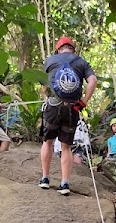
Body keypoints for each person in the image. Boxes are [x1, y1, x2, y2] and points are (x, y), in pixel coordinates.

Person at [39, 35, 97, 196]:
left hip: (53, 105)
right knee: (66, 146)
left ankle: (45, 178)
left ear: (58, 49)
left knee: (48, 141)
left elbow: (44, 85)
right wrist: (83, 102)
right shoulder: (81, 62)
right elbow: (93, 81)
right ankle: (64, 183)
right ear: (73, 49)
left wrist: (49, 98)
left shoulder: (51, 60)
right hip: (72, 108)